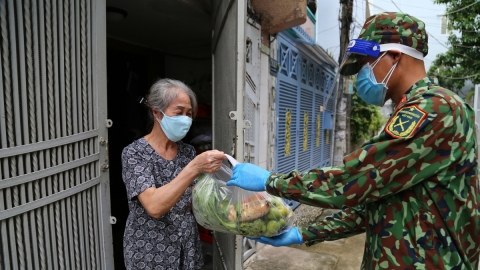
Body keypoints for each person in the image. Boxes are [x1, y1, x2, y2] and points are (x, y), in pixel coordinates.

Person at [227, 12, 480, 269]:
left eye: (366, 63)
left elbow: (355, 178)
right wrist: (306, 233)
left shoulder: (436, 109)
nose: (362, 74)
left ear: (395, 55)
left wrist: (271, 181)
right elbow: (374, 203)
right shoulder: (415, 109)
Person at [121, 78, 226, 270]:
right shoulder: (134, 153)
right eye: (179, 112)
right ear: (156, 112)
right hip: (150, 251)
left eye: (188, 113)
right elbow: (154, 206)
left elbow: (195, 199)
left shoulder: (187, 152)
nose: (186, 119)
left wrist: (229, 205)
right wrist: (194, 167)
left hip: (186, 246)